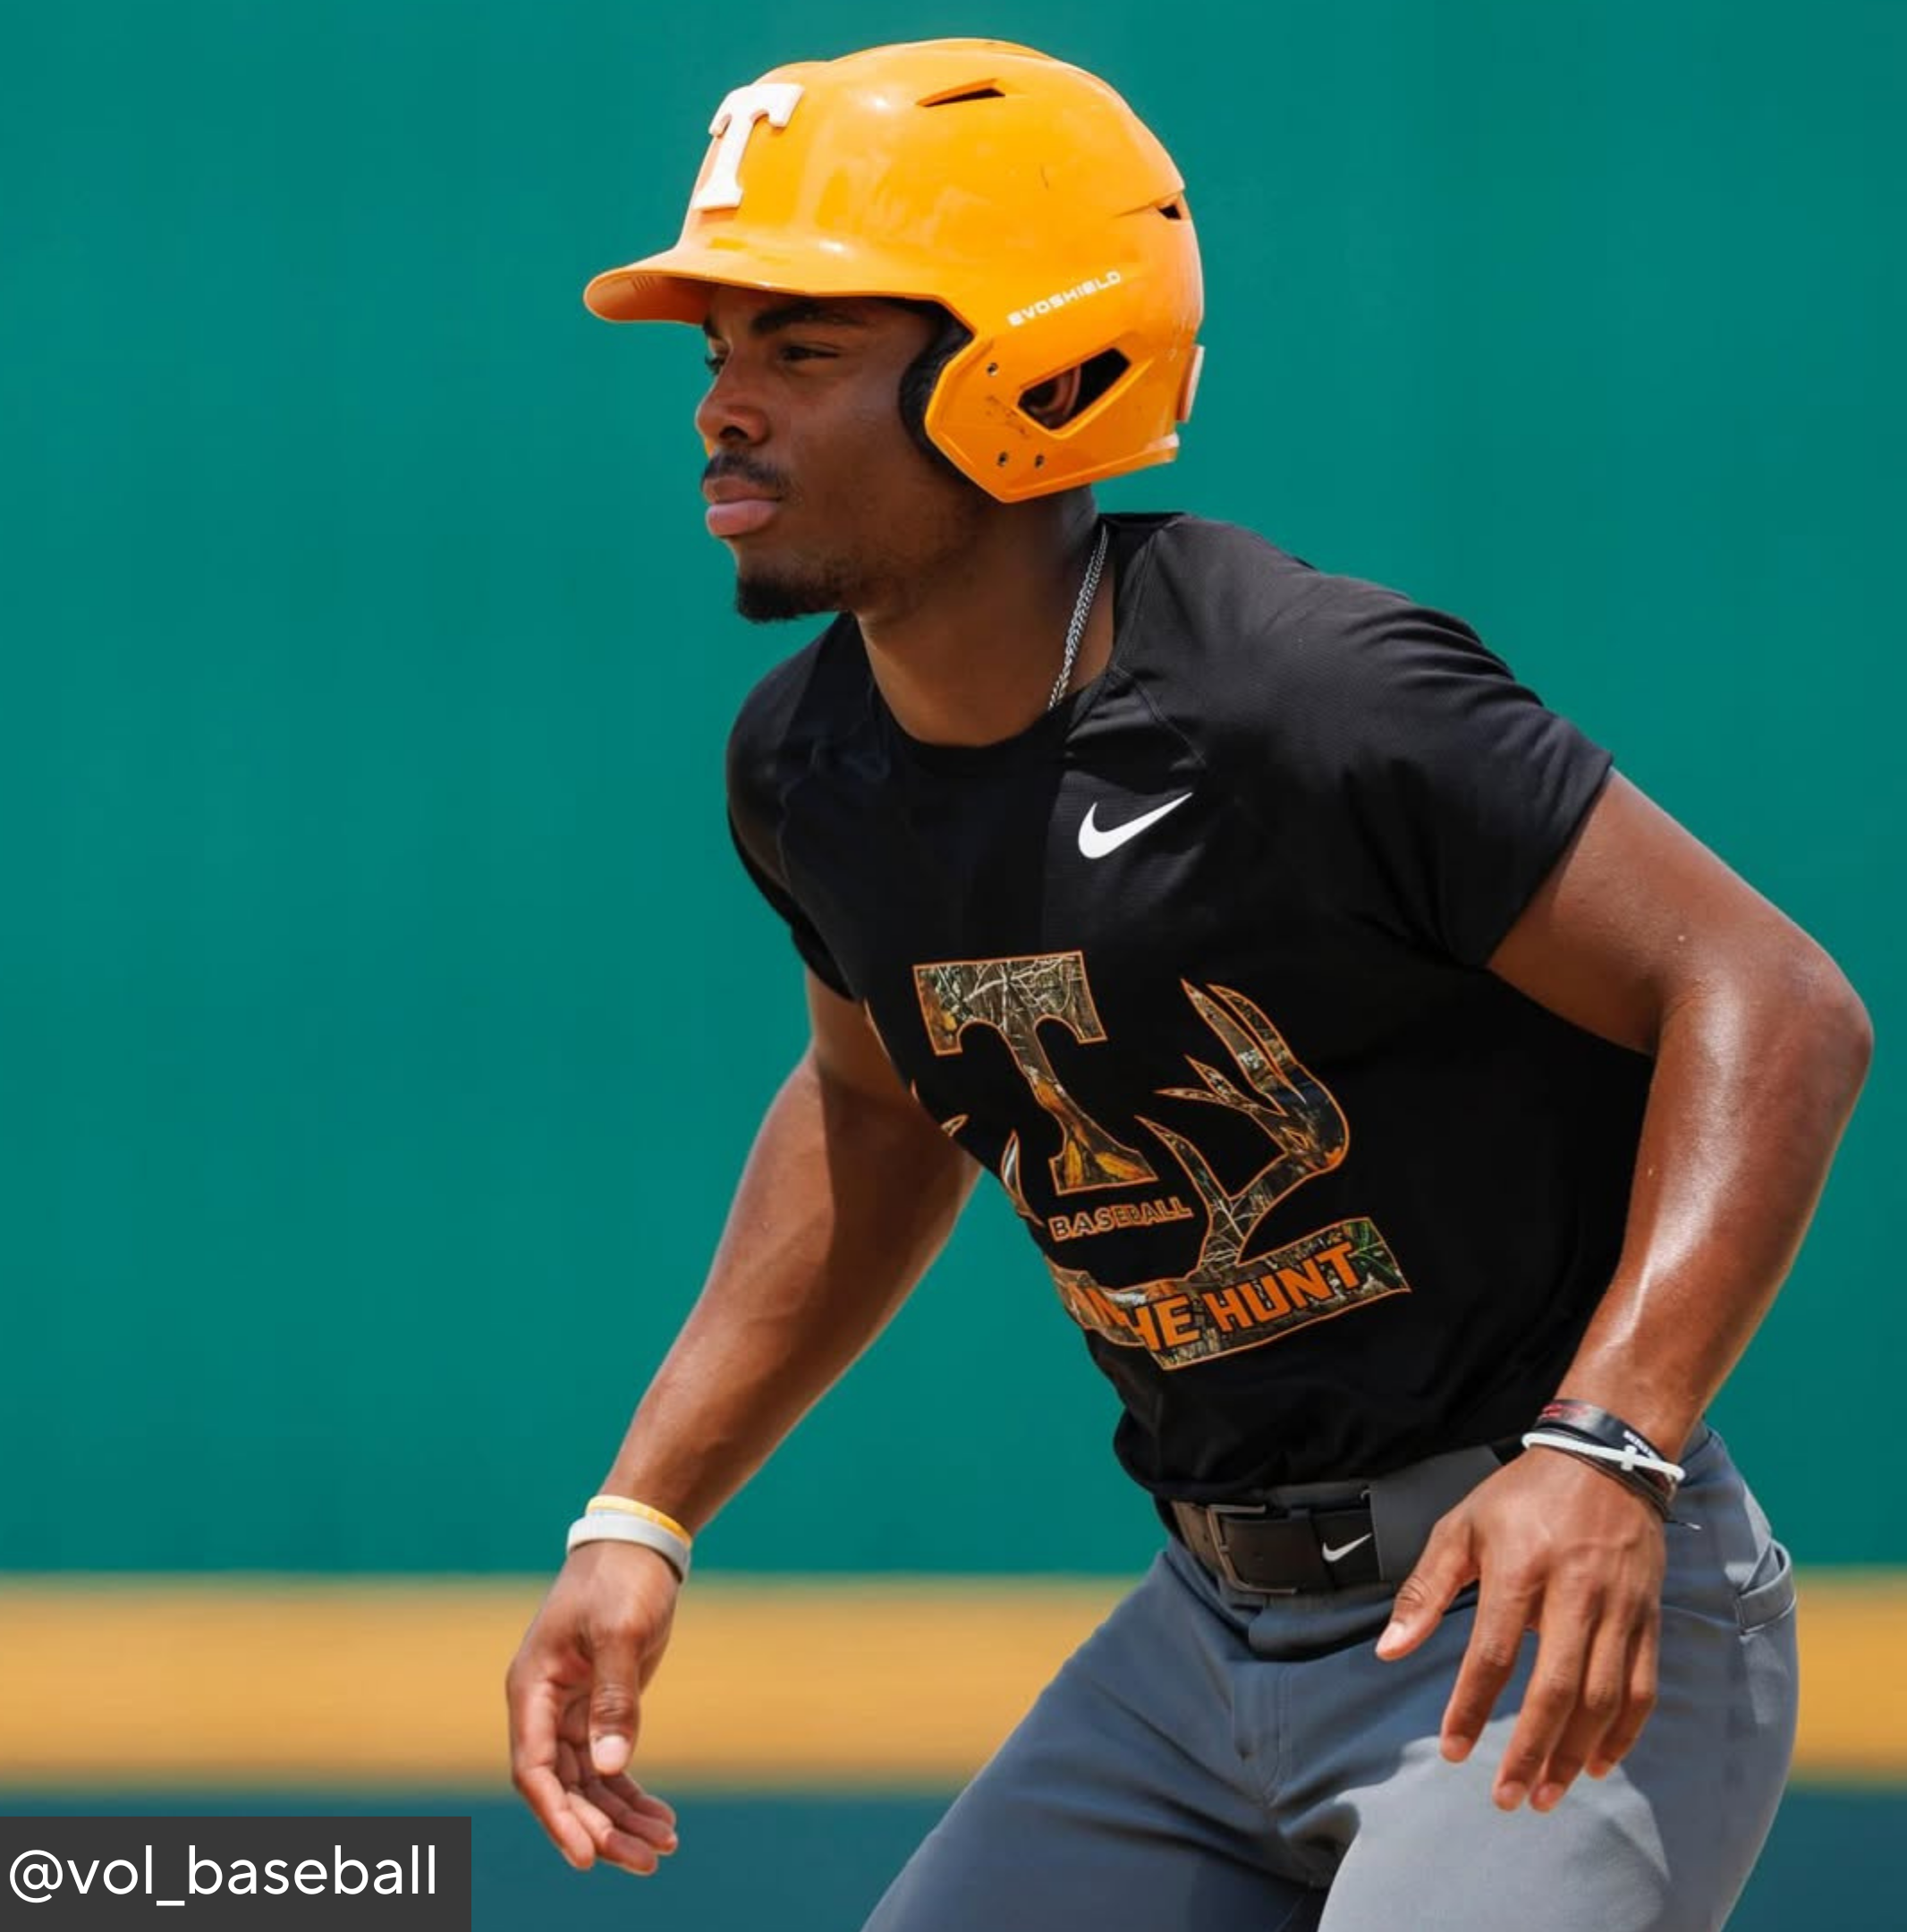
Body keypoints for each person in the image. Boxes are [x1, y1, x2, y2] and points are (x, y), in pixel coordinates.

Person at [504, 38, 1871, 1931]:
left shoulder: (1301, 696)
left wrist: (1609, 1444)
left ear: (1040, 373)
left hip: (1529, 1600)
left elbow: (1773, 1000)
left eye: (800, 348)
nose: (722, 406)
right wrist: (640, 1515)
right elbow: (879, 1112)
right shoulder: (808, 766)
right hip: (1203, 1637)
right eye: (719, 350)